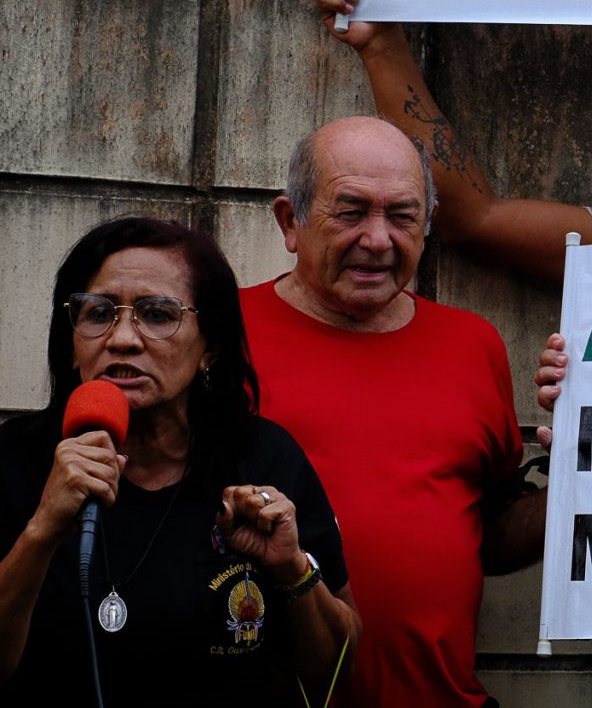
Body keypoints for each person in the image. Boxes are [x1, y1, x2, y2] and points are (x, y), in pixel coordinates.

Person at [239, 115, 547, 708]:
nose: (378, 240)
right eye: (351, 212)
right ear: (290, 221)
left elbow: (489, 534)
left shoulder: (473, 346)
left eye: (403, 216)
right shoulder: (220, 340)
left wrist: (581, 485)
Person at [0, 216, 360, 707]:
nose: (122, 339)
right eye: (98, 313)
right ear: (71, 344)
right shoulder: (16, 458)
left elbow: (335, 673)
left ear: (210, 346)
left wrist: (290, 568)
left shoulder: (265, 459)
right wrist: (42, 531)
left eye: (156, 314)